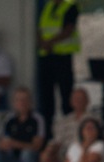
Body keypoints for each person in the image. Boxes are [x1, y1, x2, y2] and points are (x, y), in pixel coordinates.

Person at [36, 0, 80, 137]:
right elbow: (40, 28)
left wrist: (49, 42)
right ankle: (47, 133)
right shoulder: (47, 6)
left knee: (66, 96)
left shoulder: (70, 6)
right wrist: (42, 43)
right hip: (46, 57)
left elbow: (68, 30)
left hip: (62, 57)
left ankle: (70, 132)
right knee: (46, 97)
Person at [0, 86, 45, 162]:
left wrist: (14, 144)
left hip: (31, 159)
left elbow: (37, 146)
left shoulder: (37, 119)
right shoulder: (9, 119)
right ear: (14, 103)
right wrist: (4, 145)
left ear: (30, 102)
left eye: (24, 100)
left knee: (26, 154)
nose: (21, 103)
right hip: (13, 157)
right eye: (18, 100)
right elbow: (1, 142)